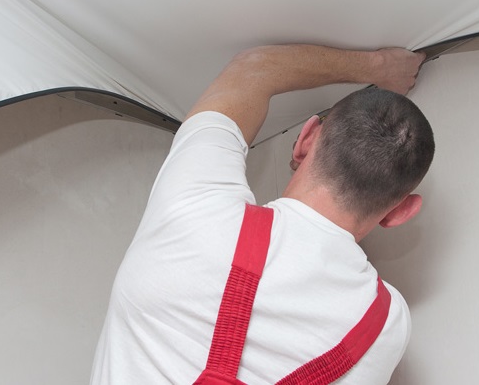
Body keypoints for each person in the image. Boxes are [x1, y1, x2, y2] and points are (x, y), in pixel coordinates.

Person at [91, 44, 434, 384]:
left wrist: (379, 66)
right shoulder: (384, 325)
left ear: (305, 140)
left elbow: (253, 68)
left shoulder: (198, 203)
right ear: (401, 212)